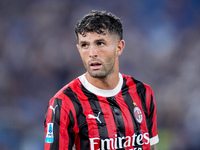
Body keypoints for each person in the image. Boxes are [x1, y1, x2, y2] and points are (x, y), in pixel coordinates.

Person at [44, 10, 159, 150]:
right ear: (79, 49)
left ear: (119, 47)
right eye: (85, 45)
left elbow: (150, 146)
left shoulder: (143, 93)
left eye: (100, 43)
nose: (92, 53)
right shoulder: (63, 103)